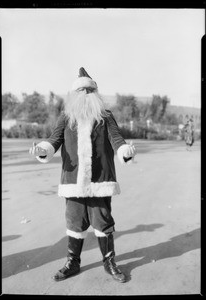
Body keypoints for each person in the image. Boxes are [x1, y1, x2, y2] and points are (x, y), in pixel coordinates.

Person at [29, 67, 137, 283]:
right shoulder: (66, 117)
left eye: (89, 91)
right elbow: (53, 140)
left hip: (100, 180)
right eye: (81, 92)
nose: (85, 96)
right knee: (74, 223)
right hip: (73, 181)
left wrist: (125, 151)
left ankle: (109, 262)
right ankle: (72, 262)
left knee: (103, 221)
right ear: (74, 95)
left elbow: (116, 139)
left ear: (95, 94)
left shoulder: (105, 116)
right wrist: (42, 149)